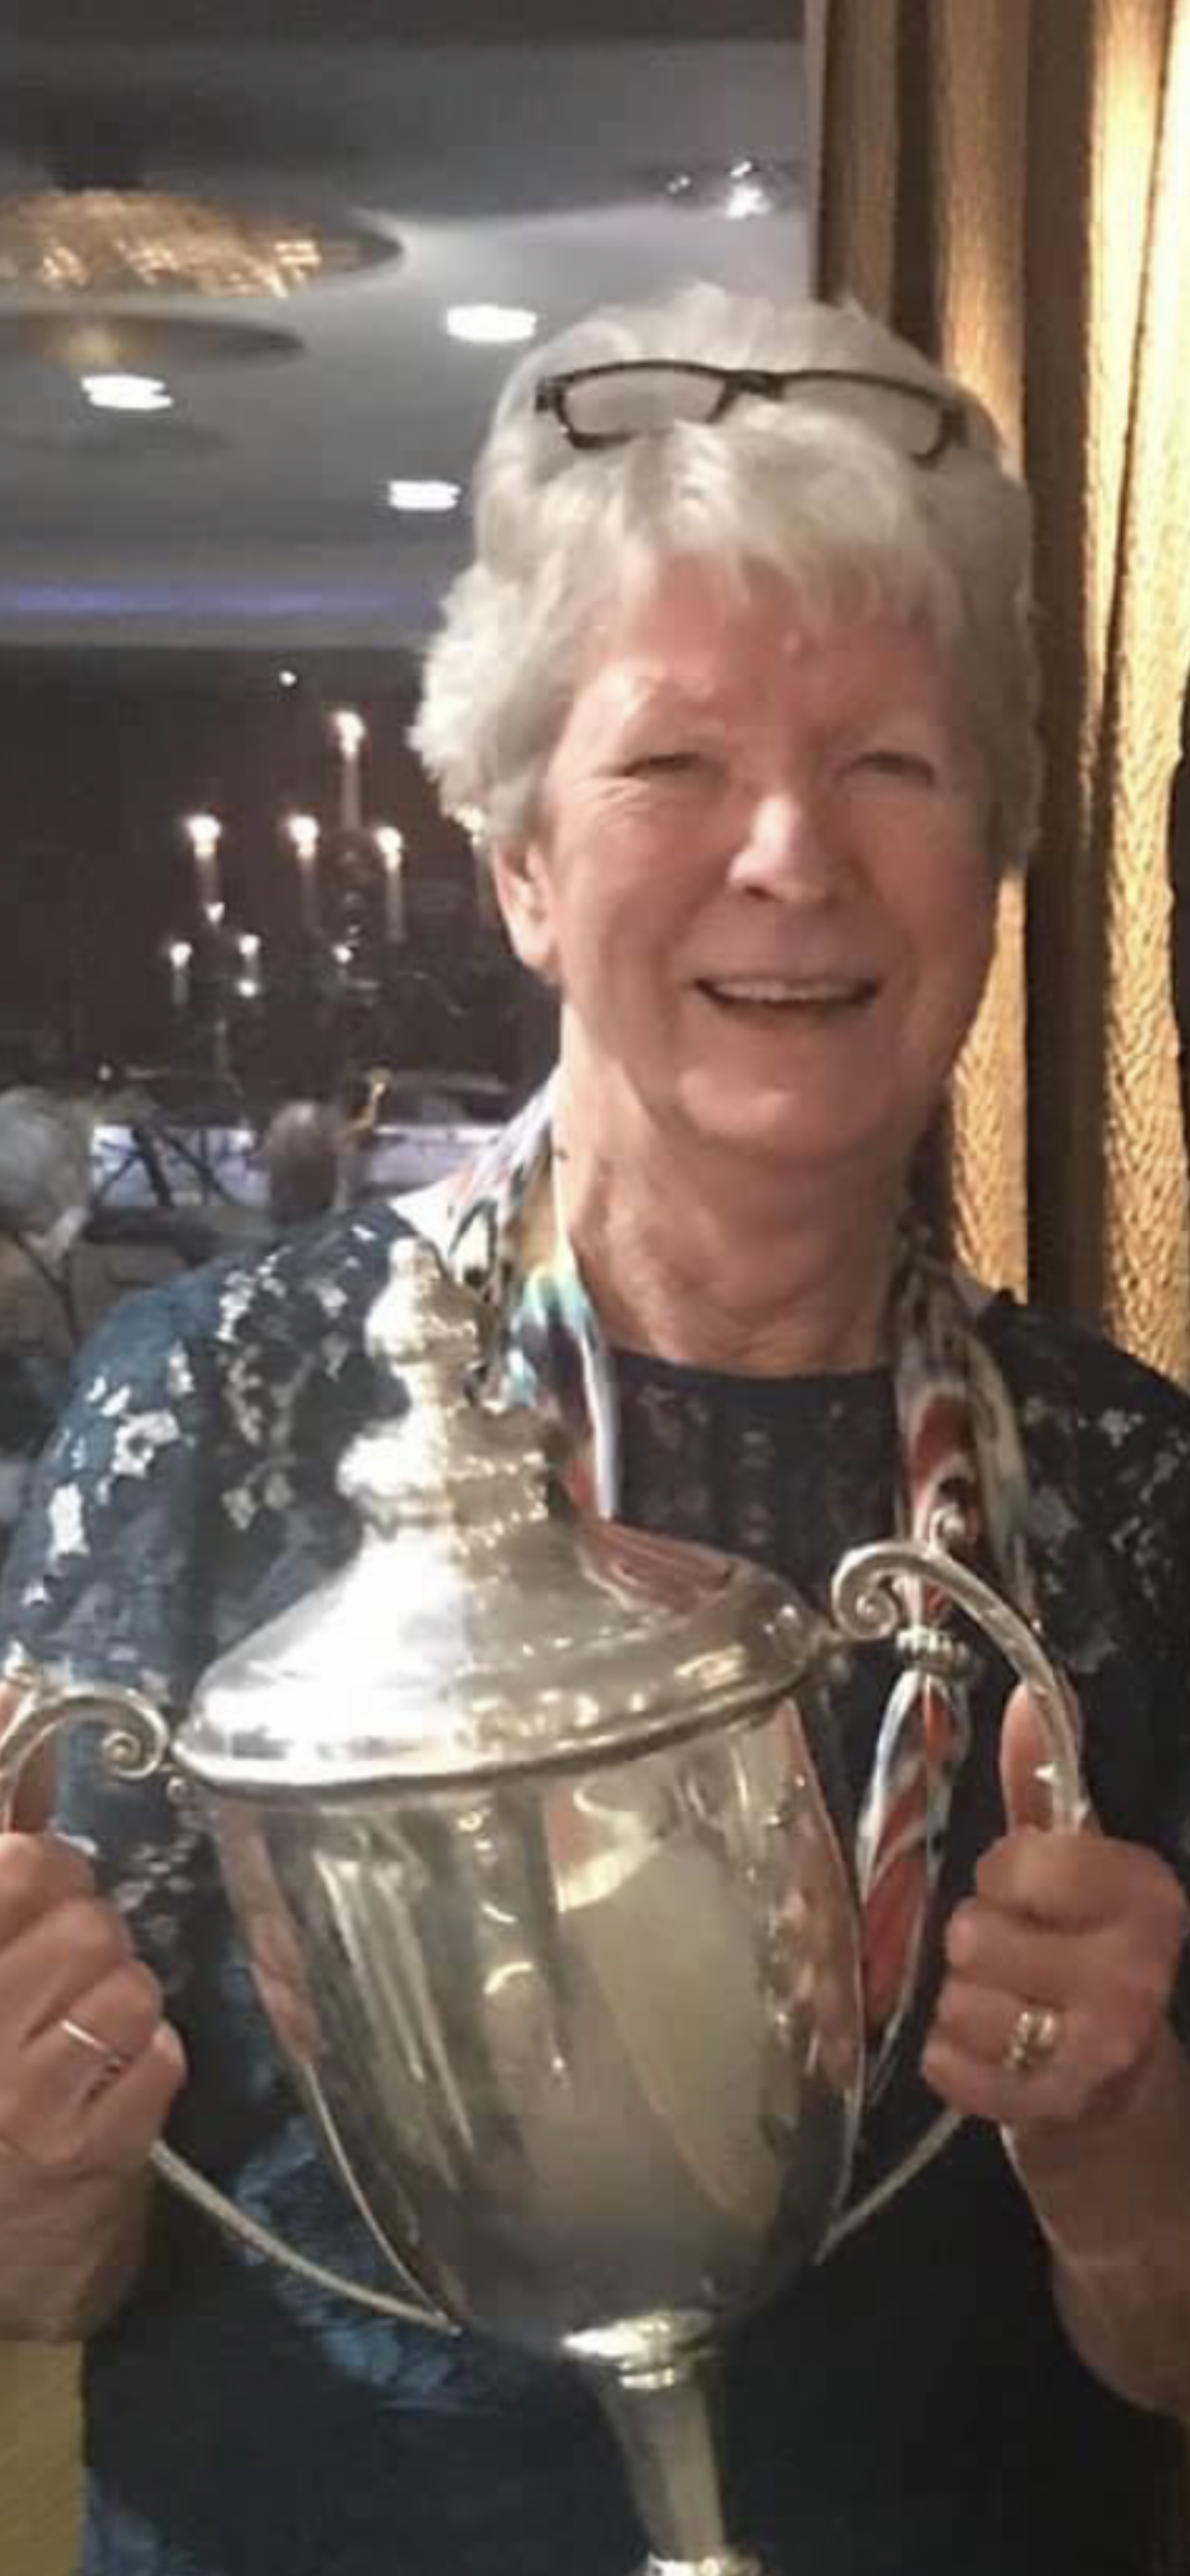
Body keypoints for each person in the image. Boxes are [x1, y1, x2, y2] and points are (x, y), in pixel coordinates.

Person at [0, 280, 1189, 2576]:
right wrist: (31, 2148)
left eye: (893, 764)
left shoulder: (1129, 1494)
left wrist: (1123, 2156)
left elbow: (1169, 2353)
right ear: (522, 857)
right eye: (671, 765)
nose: (791, 854)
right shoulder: (217, 1415)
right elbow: (49, 2275)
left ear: (994, 859)